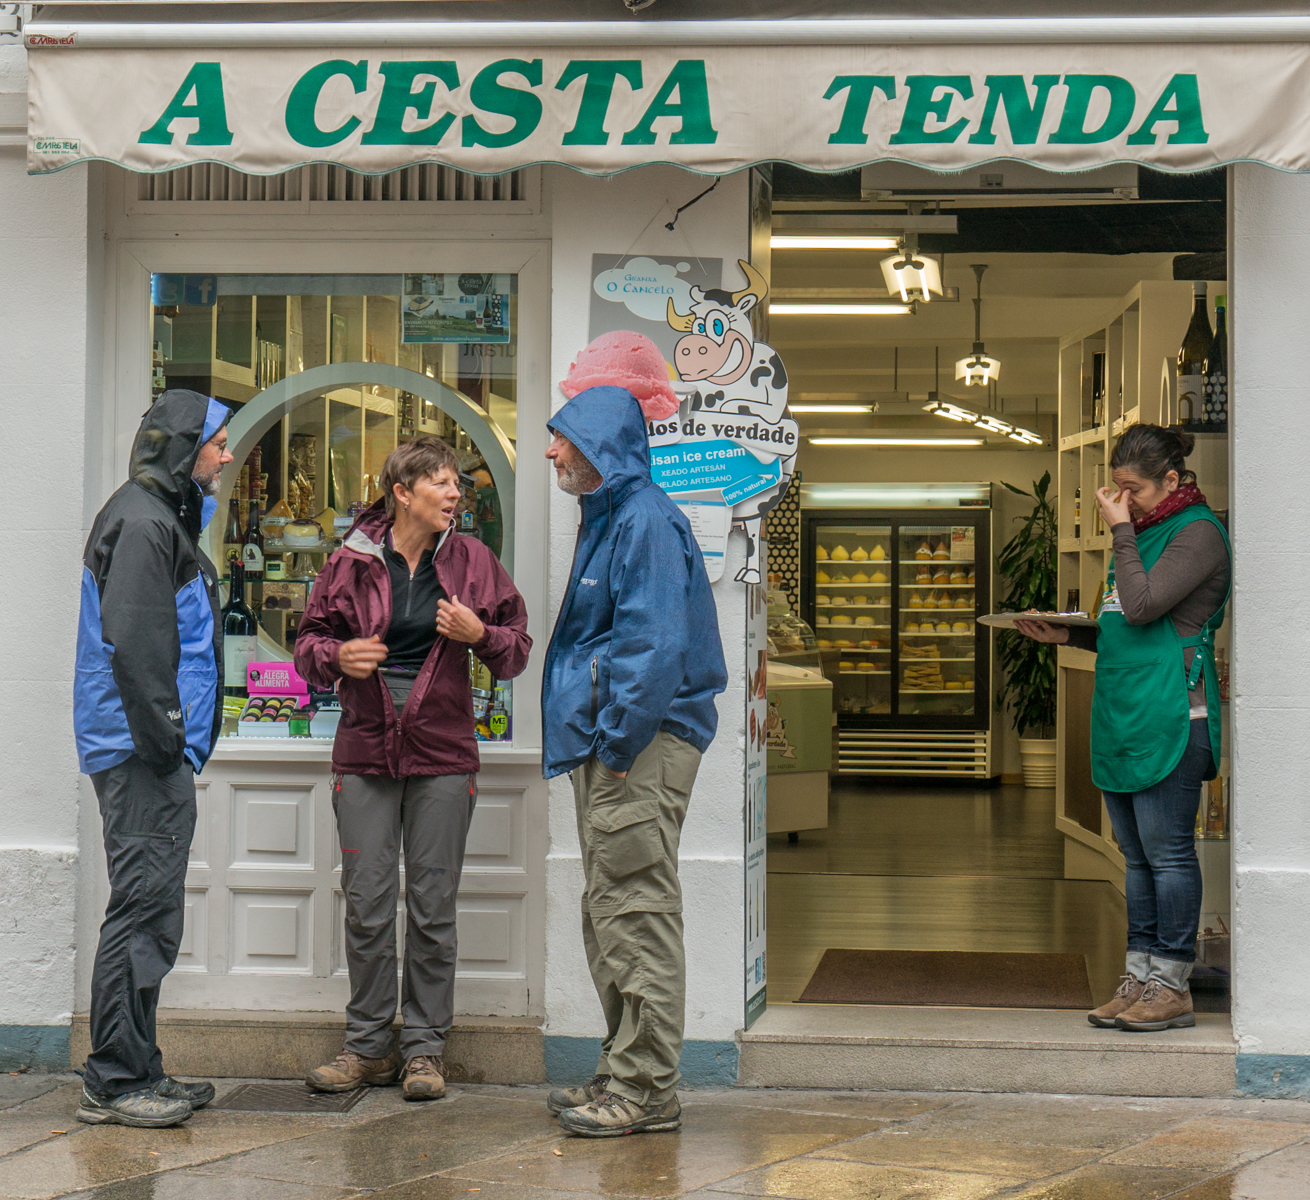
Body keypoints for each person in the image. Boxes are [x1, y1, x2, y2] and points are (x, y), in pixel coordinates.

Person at [295, 436, 531, 1101]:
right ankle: (368, 1045)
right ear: (402, 493)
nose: (455, 492)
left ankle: (424, 1051)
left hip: (443, 752)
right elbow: (307, 643)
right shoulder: (348, 561)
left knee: (432, 906)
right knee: (368, 904)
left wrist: (478, 636)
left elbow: (516, 649)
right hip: (366, 747)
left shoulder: (474, 561)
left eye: (456, 482)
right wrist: (339, 657)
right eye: (441, 482)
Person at [541, 334, 728, 1138]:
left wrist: (615, 745)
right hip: (619, 746)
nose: (551, 452)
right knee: (612, 910)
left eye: (564, 438)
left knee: (635, 910)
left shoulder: (643, 521)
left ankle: (647, 1086)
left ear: (600, 448)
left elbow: (648, 648)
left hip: (635, 749)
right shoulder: (616, 515)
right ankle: (627, 1070)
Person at [1015, 424, 1230, 1033]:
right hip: (1124, 708)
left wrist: (1119, 531)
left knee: (1168, 856)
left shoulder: (1197, 533)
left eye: (1131, 489)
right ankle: (1138, 975)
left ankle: (1172, 983)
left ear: (1171, 480)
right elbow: (1121, 618)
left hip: (1170, 712)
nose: (1122, 500)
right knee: (1136, 859)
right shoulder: (1148, 530)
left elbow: (1142, 606)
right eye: (1117, 490)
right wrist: (1072, 632)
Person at [74, 389, 234, 1127]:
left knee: (150, 914)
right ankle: (114, 1080)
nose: (227, 456)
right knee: (141, 913)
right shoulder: (142, 525)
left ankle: (139, 1069)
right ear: (181, 448)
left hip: (147, 749)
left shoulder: (156, 516)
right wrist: (170, 739)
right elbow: (136, 648)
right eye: (217, 443)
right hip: (143, 753)